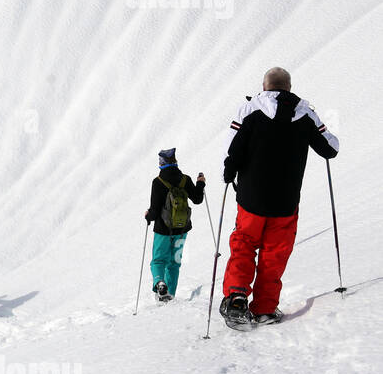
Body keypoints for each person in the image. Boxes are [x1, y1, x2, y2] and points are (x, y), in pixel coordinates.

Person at [220, 67, 340, 324]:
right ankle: (264, 308)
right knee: (275, 254)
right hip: (286, 201)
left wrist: (229, 173)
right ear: (288, 87)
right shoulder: (305, 112)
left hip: (251, 197)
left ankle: (237, 297)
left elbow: (233, 147)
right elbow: (330, 148)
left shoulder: (250, 110)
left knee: (243, 243)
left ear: (265, 87)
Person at [143, 148, 205, 302]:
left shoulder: (158, 182)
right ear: (175, 161)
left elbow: (155, 210)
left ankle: (159, 283)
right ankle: (170, 295)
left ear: (161, 163)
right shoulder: (185, 179)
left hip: (162, 231)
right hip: (182, 229)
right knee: (174, 263)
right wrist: (200, 184)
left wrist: (148, 215)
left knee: (158, 260)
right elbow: (197, 199)